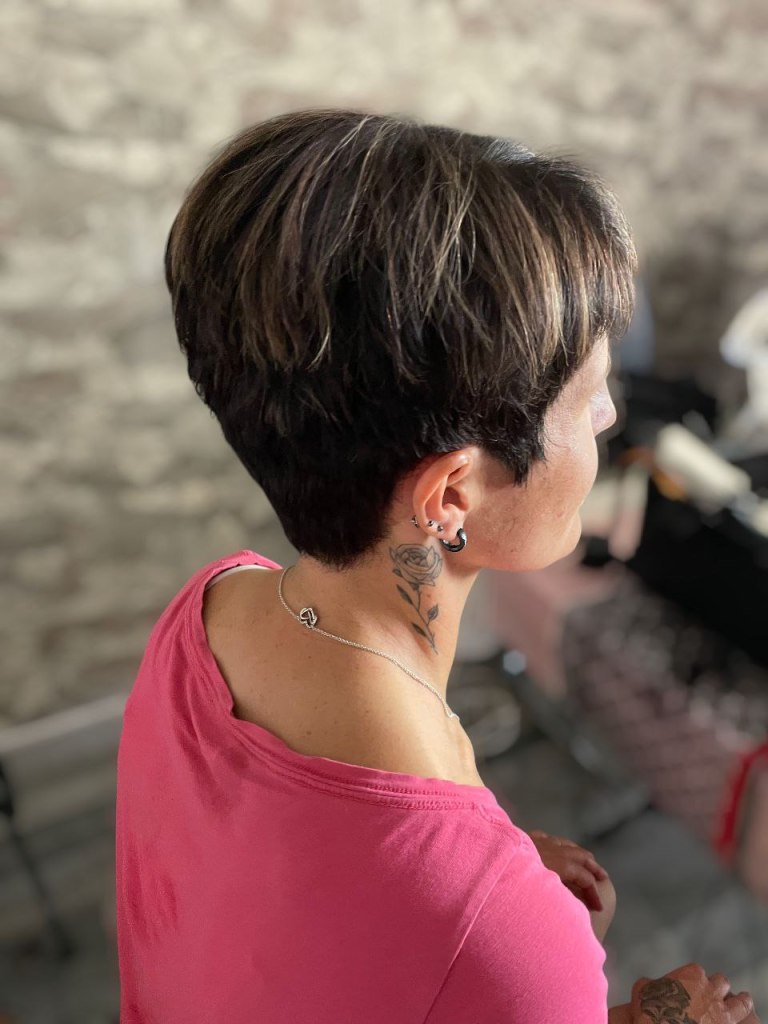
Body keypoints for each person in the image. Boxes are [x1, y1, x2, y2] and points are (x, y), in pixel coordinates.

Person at [115, 109, 760, 1023]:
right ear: (452, 494)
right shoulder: (493, 931)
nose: (611, 417)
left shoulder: (206, 611)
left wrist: (498, 917)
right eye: (588, 397)